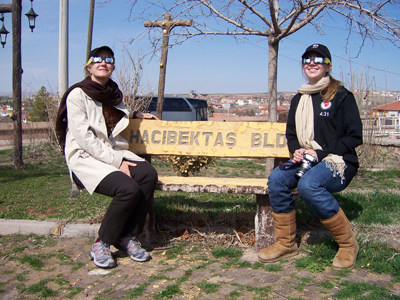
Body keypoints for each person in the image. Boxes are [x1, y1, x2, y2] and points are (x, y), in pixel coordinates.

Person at [258, 44, 363, 270]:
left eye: (318, 59)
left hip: (339, 161)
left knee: (309, 184)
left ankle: (347, 245)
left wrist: (321, 153)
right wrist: (296, 149)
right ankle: (287, 244)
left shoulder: (342, 96)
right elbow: (292, 134)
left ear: (328, 66)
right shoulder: (299, 98)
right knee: (277, 180)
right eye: (307, 59)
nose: (312, 63)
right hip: (307, 159)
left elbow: (354, 136)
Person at [56, 46, 159, 269]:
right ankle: (102, 243)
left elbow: (110, 113)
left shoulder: (112, 92)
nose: (104, 63)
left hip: (112, 151)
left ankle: (127, 236)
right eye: (98, 60)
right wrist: (117, 162)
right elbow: (85, 139)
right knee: (127, 189)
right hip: (86, 157)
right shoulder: (78, 94)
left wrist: (135, 114)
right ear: (89, 67)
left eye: (108, 60)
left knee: (148, 174)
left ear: (112, 67)